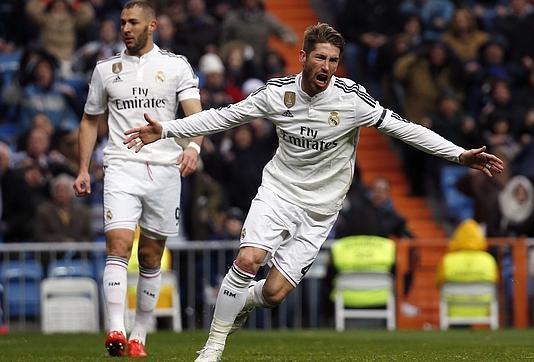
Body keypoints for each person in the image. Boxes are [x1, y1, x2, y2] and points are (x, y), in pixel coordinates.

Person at [123, 23, 504, 361]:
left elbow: (405, 129)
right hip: (278, 193)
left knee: (272, 294)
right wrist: (169, 129)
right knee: (248, 259)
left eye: (334, 60)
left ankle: (239, 301)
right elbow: (225, 115)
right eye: (320, 57)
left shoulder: (351, 100)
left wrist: (458, 154)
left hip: (320, 211)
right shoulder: (278, 94)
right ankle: (213, 347)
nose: (327, 66)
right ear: (303, 57)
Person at [72, 1, 203, 358]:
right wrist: (83, 168)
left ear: (152, 25)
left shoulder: (175, 66)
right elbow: (89, 119)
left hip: (164, 169)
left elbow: (197, 116)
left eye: (133, 22)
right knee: (117, 245)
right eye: (122, 22)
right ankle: (116, 329)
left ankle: (139, 337)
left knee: (150, 255)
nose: (126, 28)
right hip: (121, 166)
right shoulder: (105, 69)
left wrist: (193, 148)